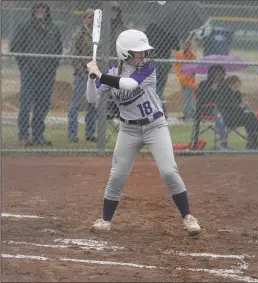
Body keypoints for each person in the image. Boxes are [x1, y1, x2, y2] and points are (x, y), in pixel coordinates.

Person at [86, 29, 201, 236]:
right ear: (125, 54)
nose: (144, 56)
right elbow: (92, 99)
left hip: (155, 125)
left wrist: (100, 75)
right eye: (138, 52)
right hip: (128, 129)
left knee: (168, 171)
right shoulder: (112, 72)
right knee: (117, 176)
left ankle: (188, 217)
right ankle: (105, 220)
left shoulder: (148, 67)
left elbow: (129, 84)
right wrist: (91, 77)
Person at [10, 2, 63, 146]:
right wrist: (24, 65)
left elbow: (59, 50)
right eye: (38, 8)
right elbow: (15, 47)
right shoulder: (25, 27)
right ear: (33, 11)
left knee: (43, 104)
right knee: (26, 104)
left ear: (47, 11)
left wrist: (53, 67)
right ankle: (23, 135)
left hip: (47, 73)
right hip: (30, 71)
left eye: (43, 8)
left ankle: (38, 135)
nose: (40, 11)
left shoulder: (53, 28)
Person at [216, 75, 258, 149]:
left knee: (250, 118)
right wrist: (239, 106)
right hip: (227, 118)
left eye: (238, 86)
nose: (237, 89)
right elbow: (224, 106)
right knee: (250, 117)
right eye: (235, 86)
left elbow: (240, 106)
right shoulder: (223, 93)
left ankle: (253, 144)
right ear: (229, 85)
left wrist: (244, 105)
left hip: (238, 116)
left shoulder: (237, 93)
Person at [67, 8, 97, 143]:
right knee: (75, 104)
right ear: (84, 19)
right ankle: (72, 134)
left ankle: (90, 133)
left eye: (94, 18)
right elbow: (73, 53)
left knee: (93, 104)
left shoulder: (98, 34)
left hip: (95, 74)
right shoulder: (79, 33)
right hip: (81, 74)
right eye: (89, 17)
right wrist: (80, 69)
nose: (91, 20)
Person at [195, 65, 228, 148]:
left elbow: (229, 98)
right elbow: (201, 100)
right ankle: (223, 141)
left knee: (247, 112)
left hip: (225, 109)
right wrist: (211, 90)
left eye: (220, 74)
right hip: (207, 109)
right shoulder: (204, 84)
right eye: (216, 74)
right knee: (218, 112)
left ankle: (253, 141)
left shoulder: (225, 85)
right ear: (211, 74)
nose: (218, 76)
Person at [173, 40, 198, 120]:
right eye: (184, 44)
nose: (185, 46)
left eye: (187, 44)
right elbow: (177, 66)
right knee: (188, 97)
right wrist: (180, 75)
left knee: (189, 98)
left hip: (190, 80)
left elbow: (194, 68)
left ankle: (188, 114)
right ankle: (191, 113)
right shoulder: (179, 54)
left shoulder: (192, 54)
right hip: (182, 79)